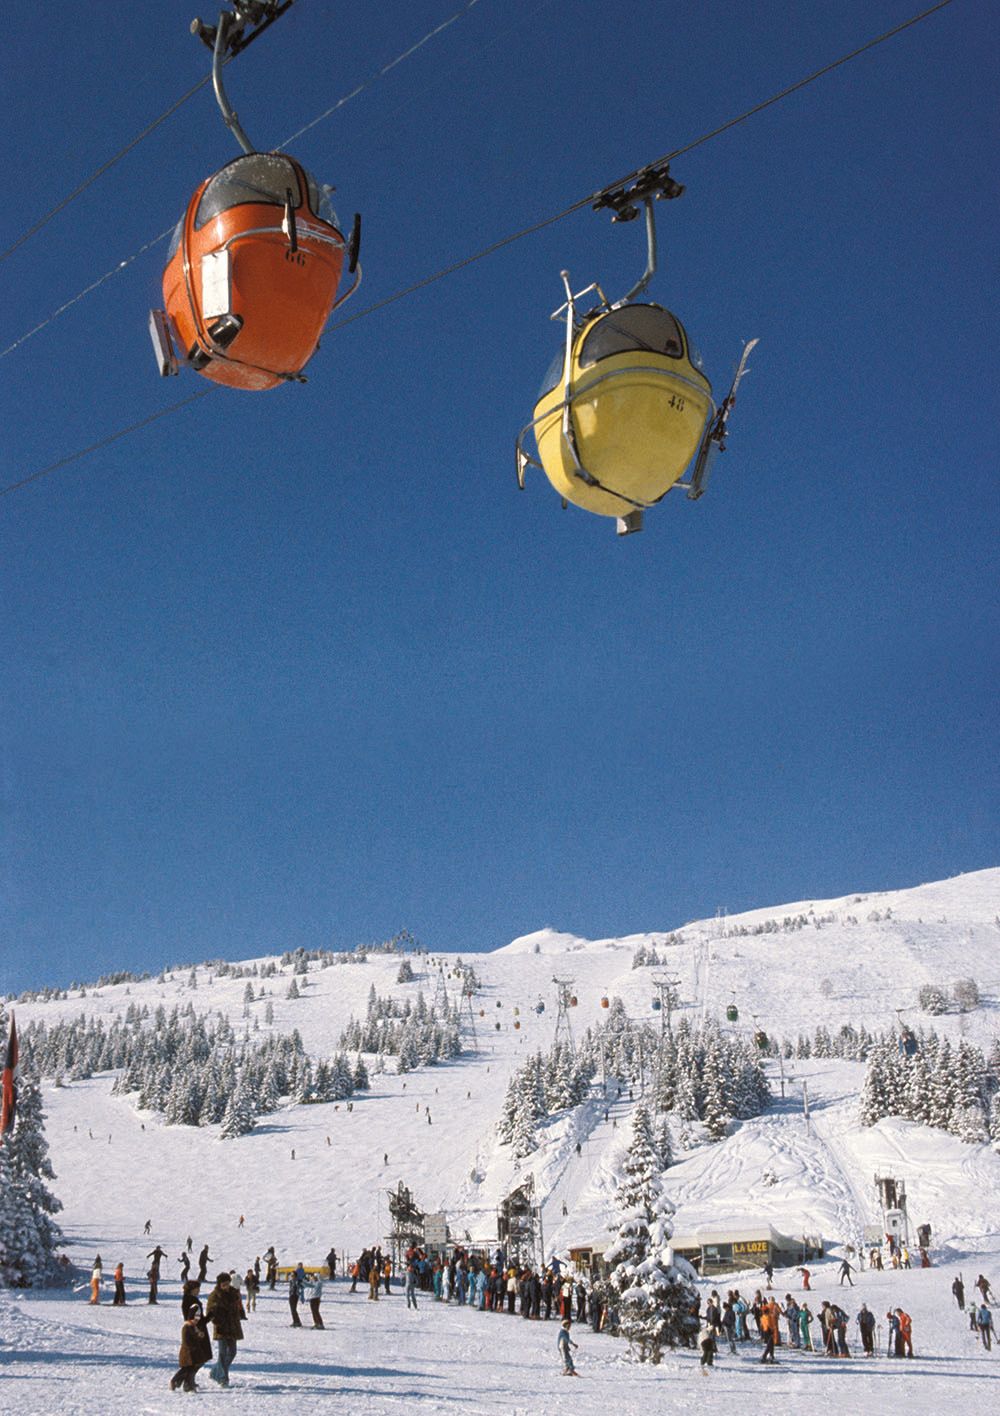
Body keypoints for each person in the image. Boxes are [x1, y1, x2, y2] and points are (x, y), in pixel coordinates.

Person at [205, 1272, 245, 1388]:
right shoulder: (214, 1295)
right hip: (221, 1328)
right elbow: (210, 1312)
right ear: (219, 1285)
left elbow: (238, 1306)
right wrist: (218, 1321)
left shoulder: (233, 1293)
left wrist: (240, 1314)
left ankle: (215, 1372)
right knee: (222, 1354)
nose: (226, 1287)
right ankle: (223, 1379)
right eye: (224, 1285)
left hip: (232, 1327)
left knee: (232, 1352)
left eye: (227, 1284)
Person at [171, 1295, 212, 1392]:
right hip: (188, 1353)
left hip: (194, 1353)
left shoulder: (194, 1327)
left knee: (192, 1369)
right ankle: (177, 1381)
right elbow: (188, 1341)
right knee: (188, 1369)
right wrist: (198, 1336)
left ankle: (186, 1384)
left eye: (198, 1317)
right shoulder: (187, 1327)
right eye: (195, 1317)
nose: (197, 1320)